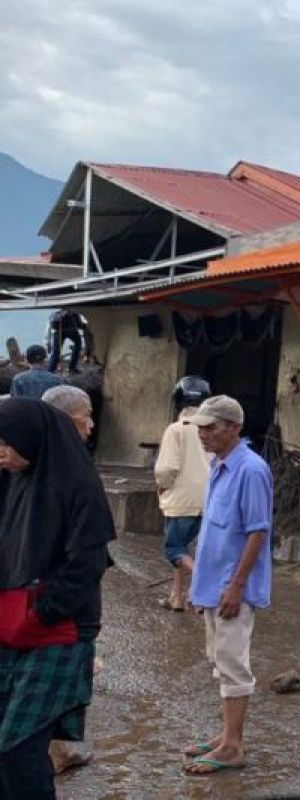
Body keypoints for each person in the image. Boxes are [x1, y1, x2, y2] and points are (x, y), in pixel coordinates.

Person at [0, 399, 115, 798]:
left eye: (6, 442)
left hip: (57, 632)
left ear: (31, 439)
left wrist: (41, 611)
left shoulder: (76, 485)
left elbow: (87, 564)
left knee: (18, 747)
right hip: (11, 630)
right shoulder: (13, 482)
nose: (2, 451)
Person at [183, 395, 273, 776]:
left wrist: (236, 586)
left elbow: (257, 533)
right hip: (213, 584)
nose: (203, 434)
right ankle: (225, 736)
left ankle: (233, 746)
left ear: (234, 428)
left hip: (232, 586)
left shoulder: (251, 469)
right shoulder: (220, 465)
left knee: (234, 664)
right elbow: (213, 534)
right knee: (219, 662)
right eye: (201, 427)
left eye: (211, 427)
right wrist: (198, 588)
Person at [37, 385, 101, 775]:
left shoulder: (63, 464)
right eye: (86, 414)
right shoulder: (63, 472)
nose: (91, 425)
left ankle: (60, 747)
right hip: (58, 606)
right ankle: (55, 752)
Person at [154, 376, 213, 612]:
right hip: (209, 497)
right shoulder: (211, 428)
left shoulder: (176, 429)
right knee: (192, 550)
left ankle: (207, 586)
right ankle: (178, 596)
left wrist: (162, 485)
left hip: (181, 498)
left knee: (175, 549)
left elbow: (167, 468)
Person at [47, 309, 88, 375]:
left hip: (61, 331)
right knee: (77, 345)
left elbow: (52, 325)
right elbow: (79, 324)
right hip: (68, 330)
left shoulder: (57, 313)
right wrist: (86, 326)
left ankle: (51, 370)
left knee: (56, 351)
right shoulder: (71, 313)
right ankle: (71, 368)